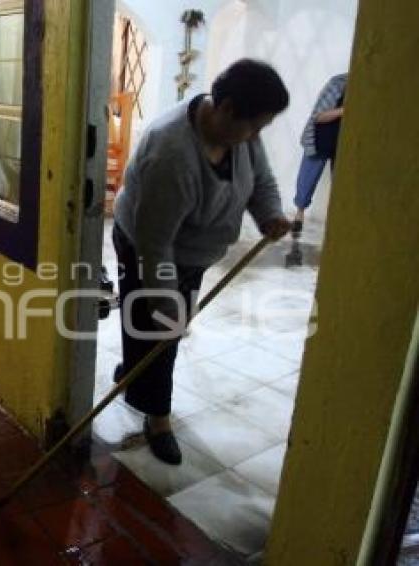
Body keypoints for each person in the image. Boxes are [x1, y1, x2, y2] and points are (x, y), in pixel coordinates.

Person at [112, 59, 292, 465]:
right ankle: (157, 417)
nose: (257, 136)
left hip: (193, 252)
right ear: (226, 108)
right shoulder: (170, 152)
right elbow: (155, 244)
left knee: (149, 325)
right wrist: (164, 301)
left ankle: (133, 368)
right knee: (162, 329)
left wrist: (269, 214)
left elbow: (261, 180)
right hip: (144, 243)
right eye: (256, 126)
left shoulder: (241, 135)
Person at [286, 73, 348, 266]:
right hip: (321, 139)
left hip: (343, 143)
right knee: (307, 180)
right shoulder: (339, 83)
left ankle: (335, 229)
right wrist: (344, 111)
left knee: (342, 186)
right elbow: (319, 116)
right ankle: (299, 216)